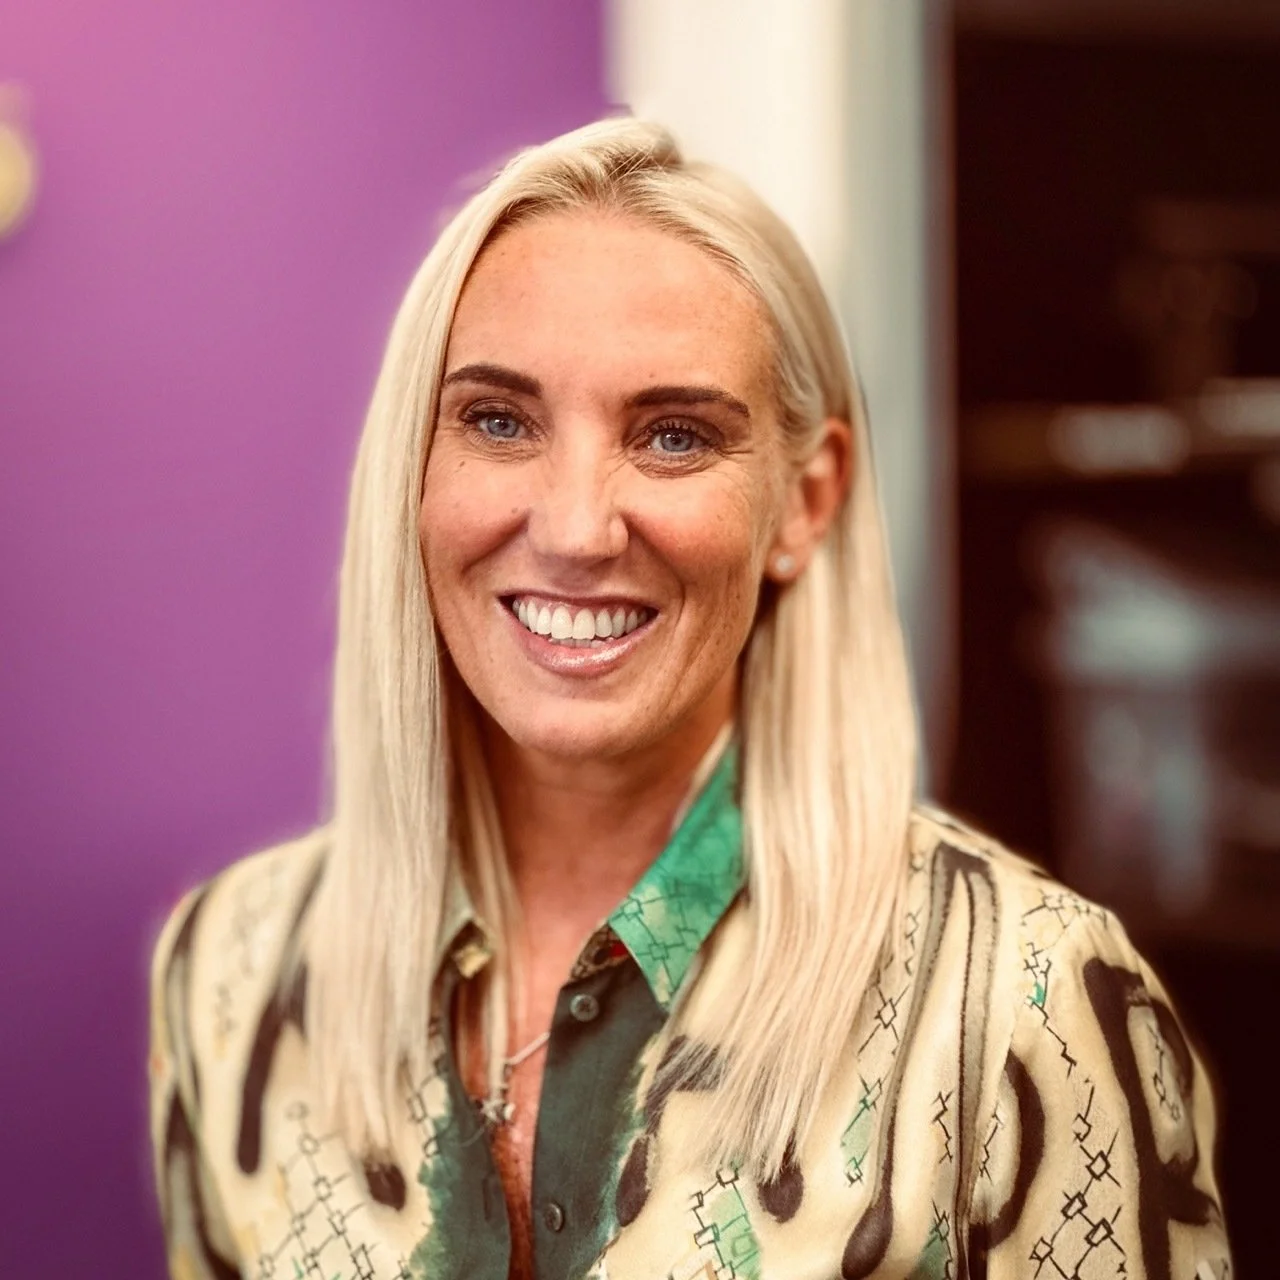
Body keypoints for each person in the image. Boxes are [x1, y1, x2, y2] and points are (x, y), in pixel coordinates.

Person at [148, 118, 1231, 1280]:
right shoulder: (235, 967)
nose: (573, 527)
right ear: (412, 470)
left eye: (672, 435)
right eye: (498, 420)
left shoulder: (1025, 998)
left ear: (803, 502)